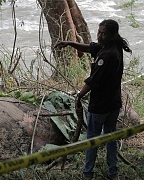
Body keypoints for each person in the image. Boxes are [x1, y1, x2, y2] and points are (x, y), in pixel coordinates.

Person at [55, 19, 132, 180]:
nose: (100, 36)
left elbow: (93, 80)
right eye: (99, 32)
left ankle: (88, 173)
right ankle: (114, 172)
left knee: (92, 140)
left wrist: (79, 95)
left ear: (112, 35)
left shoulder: (107, 55)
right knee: (110, 137)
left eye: (103, 34)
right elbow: (91, 47)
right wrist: (70, 43)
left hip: (101, 106)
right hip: (114, 103)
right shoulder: (113, 46)